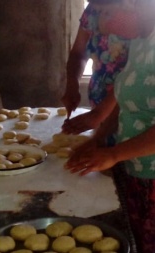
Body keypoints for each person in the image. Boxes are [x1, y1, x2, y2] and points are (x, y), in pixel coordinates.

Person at [65, 0, 155, 251]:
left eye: (108, 13)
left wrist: (114, 153)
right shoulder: (140, 41)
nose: (103, 24)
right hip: (137, 169)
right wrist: (99, 138)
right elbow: (122, 95)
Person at [61, 0, 131, 135]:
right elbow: (78, 53)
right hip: (99, 98)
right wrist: (72, 84)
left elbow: (133, 74)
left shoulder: (142, 19)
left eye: (107, 12)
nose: (102, 16)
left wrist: (99, 114)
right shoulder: (93, 9)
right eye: (99, 11)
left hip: (129, 103)